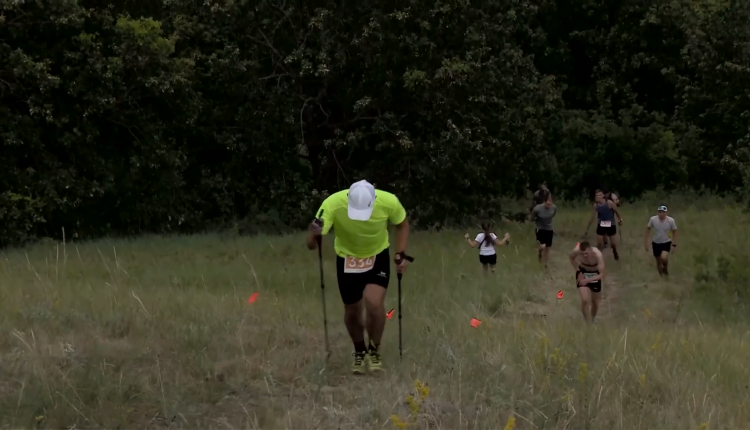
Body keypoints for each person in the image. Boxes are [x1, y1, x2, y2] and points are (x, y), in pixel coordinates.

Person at [306, 179, 410, 374]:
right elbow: (311, 245)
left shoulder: (389, 201)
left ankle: (374, 350)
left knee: (374, 303)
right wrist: (314, 234)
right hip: (347, 258)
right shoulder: (332, 204)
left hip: (377, 255)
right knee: (352, 309)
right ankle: (359, 351)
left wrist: (401, 253)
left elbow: (402, 224)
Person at [569, 241, 606, 324]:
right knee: (585, 300)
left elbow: (602, 274)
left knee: (595, 302)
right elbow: (571, 257)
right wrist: (578, 271)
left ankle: (592, 319)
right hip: (583, 272)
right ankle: (588, 323)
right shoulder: (576, 251)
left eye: (586, 253)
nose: (585, 256)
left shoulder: (598, 255)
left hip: (595, 274)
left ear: (590, 250)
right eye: (582, 254)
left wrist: (588, 280)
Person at [585, 189, 623, 260]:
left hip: (611, 224)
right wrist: (587, 228)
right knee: (599, 243)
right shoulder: (596, 206)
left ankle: (614, 252)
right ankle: (598, 257)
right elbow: (592, 217)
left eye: (599, 195)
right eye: (597, 195)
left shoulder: (609, 203)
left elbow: (617, 211)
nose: (598, 197)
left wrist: (620, 219)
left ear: (603, 196)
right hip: (601, 224)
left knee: (613, 244)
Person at [644, 205, 678, 276]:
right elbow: (648, 229)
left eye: (663, 212)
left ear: (666, 213)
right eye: (660, 212)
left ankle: (665, 267)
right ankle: (662, 277)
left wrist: (674, 244)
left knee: (664, 257)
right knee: (658, 261)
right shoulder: (653, 219)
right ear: (658, 212)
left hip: (666, 242)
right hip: (656, 242)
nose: (661, 214)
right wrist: (646, 242)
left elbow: (675, 231)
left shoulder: (671, 220)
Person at [531, 193, 557, 268]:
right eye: (547, 204)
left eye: (550, 204)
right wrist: (537, 220)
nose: (549, 205)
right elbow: (532, 218)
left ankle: (545, 264)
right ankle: (539, 253)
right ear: (544, 202)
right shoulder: (537, 209)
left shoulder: (554, 208)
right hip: (540, 228)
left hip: (549, 229)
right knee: (542, 246)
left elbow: (553, 215)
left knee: (548, 247)